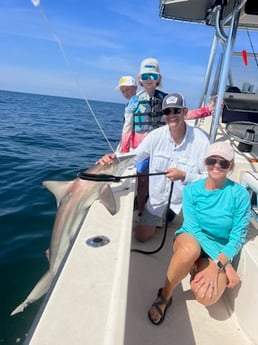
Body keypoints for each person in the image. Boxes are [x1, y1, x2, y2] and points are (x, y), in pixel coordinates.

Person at [148, 141, 251, 326]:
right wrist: (225, 266)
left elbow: (238, 237)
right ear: (206, 163)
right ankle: (165, 295)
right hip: (191, 238)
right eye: (212, 160)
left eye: (223, 163)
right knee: (189, 250)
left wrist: (216, 263)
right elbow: (194, 229)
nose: (217, 166)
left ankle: (196, 266)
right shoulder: (192, 190)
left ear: (231, 166)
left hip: (217, 249)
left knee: (206, 297)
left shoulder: (240, 195)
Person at [97, 92, 210, 242]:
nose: (172, 115)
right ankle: (160, 219)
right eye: (167, 111)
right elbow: (134, 157)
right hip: (157, 201)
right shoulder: (155, 136)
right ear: (163, 115)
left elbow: (209, 178)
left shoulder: (201, 140)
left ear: (185, 112)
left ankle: (169, 218)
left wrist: (184, 176)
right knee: (141, 237)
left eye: (176, 110)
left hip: (186, 205)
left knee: (189, 245)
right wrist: (113, 159)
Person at [118, 58, 216, 216]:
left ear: (159, 79)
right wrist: (123, 152)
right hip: (141, 147)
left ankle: (164, 207)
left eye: (153, 76)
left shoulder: (166, 100)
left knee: (163, 176)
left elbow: (185, 114)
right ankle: (142, 209)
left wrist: (206, 110)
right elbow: (127, 128)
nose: (149, 80)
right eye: (145, 77)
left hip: (162, 146)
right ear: (139, 79)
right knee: (143, 179)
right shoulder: (133, 103)